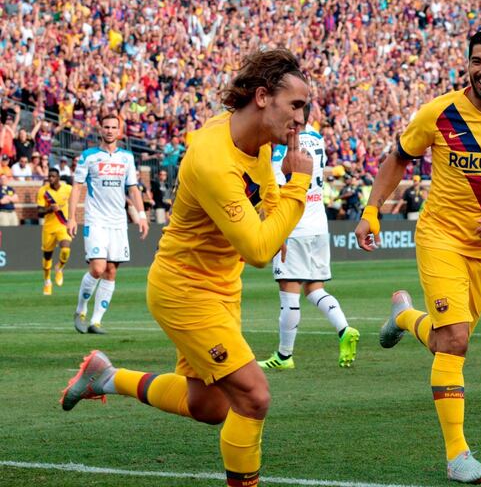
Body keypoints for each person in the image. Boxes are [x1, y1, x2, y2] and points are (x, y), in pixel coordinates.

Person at [60, 48, 313, 487]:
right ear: (261, 97)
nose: (302, 119)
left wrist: (281, 212)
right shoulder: (214, 158)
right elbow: (256, 249)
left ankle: (106, 376)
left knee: (209, 407)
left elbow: (266, 191)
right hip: (185, 290)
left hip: (220, 287)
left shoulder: (254, 141)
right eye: (295, 105)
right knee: (254, 395)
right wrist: (301, 185)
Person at [355, 29, 481, 484]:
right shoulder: (439, 112)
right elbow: (398, 158)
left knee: (447, 343)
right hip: (440, 236)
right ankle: (457, 455)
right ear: (467, 63)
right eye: (477, 61)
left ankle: (404, 316)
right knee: (457, 342)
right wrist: (371, 211)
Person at [259, 104, 360, 370]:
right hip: (318, 224)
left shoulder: (283, 148)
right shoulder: (316, 137)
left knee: (289, 294)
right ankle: (344, 329)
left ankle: (284, 356)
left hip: (294, 227)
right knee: (314, 288)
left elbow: (278, 191)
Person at [66, 114, 150, 335]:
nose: (110, 130)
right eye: (106, 127)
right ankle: (81, 310)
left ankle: (96, 321)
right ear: (100, 129)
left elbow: (133, 188)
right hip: (95, 220)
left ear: (119, 131)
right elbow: (76, 187)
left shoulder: (127, 158)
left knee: (111, 271)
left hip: (118, 222)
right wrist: (72, 216)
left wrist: (141, 215)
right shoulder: (89, 157)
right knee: (98, 268)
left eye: (114, 127)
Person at [37, 168, 73, 295]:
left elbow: (74, 201)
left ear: (58, 178)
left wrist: (72, 219)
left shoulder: (67, 189)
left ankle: (60, 268)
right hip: (49, 228)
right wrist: (49, 210)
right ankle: (47, 281)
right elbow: (39, 212)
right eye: (49, 177)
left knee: (65, 249)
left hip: (62, 225)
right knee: (47, 257)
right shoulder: (43, 191)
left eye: (53, 176)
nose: (51, 179)